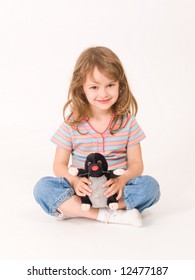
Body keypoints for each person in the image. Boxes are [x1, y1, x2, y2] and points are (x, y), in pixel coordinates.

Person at [34, 46, 160, 227]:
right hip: (81, 191)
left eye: (110, 85)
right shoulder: (72, 123)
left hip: (116, 191)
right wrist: (75, 181)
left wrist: (122, 180)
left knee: (150, 187)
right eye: (94, 87)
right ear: (81, 89)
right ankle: (107, 215)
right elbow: (59, 165)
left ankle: (77, 209)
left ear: (120, 85)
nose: (103, 94)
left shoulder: (128, 122)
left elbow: (136, 164)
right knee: (42, 188)